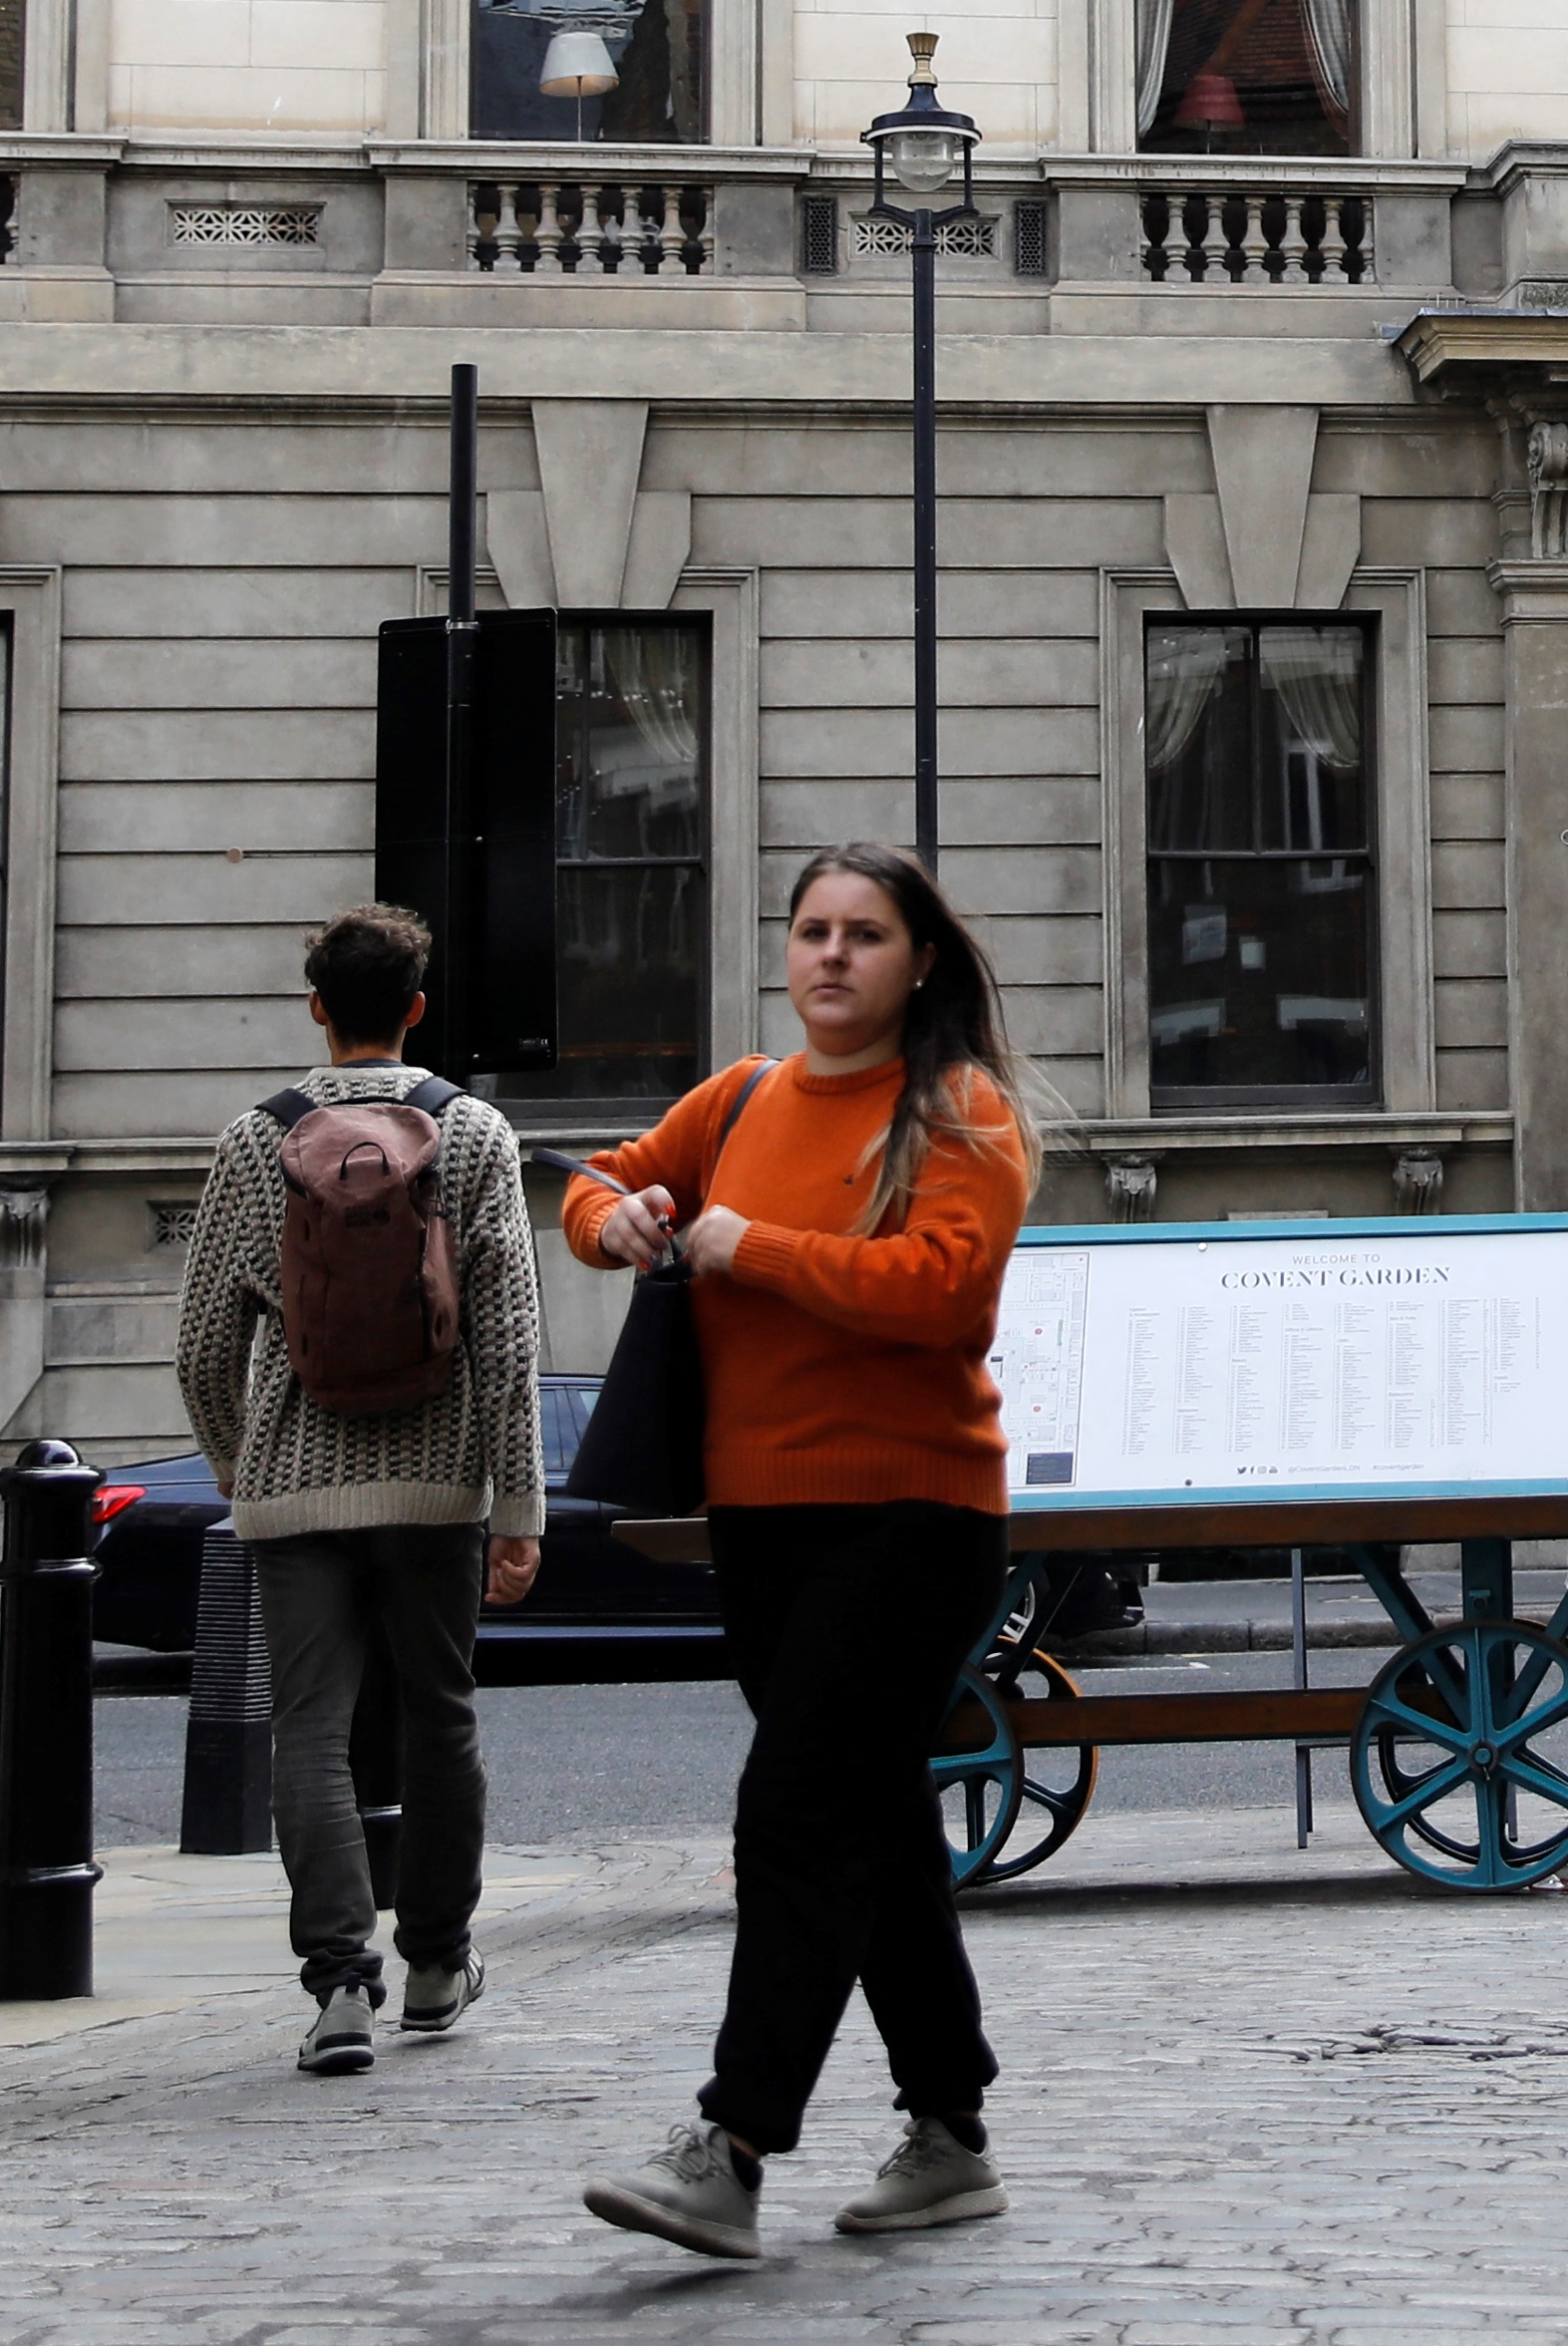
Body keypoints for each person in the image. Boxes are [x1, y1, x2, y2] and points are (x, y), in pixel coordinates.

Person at [561, 844, 1036, 2260]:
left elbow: (943, 1291)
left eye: (864, 933)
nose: (831, 954)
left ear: (919, 960)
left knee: (793, 1811)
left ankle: (733, 2142)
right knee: (868, 1821)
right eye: (813, 929)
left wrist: (749, 1246)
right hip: (760, 1517)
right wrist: (618, 1220)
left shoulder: (959, 1107)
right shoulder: (739, 1097)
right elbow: (596, 1186)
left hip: (914, 1515)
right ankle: (948, 2134)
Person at [169, 899, 545, 2076]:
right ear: (417, 1008)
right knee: (440, 1720)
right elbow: (508, 1338)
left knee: (310, 1732)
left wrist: (238, 1459)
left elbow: (201, 1345)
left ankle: (339, 1986)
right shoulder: (473, 1131)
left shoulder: (254, 1141)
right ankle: (435, 1964)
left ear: (317, 1009)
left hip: (297, 1491)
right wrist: (517, 1506)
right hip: (437, 1488)